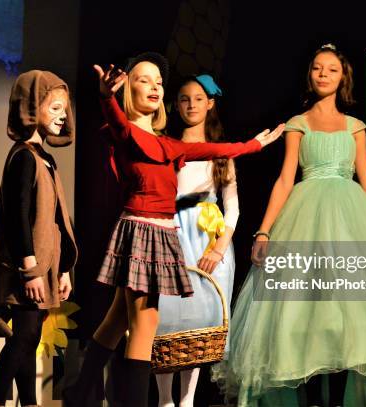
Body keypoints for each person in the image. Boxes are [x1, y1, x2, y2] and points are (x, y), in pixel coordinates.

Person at [215, 44, 366, 407]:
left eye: (332, 69)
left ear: (343, 79)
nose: (323, 74)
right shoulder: (298, 124)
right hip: (305, 220)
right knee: (305, 314)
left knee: (345, 315)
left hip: (350, 221)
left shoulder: (355, 127)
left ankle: (338, 402)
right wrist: (263, 231)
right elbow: (284, 180)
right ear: (310, 75)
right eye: (317, 68)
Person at [62, 52, 284, 407]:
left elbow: (217, 148)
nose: (153, 86)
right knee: (146, 325)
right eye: (143, 80)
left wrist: (257, 144)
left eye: (158, 81)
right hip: (142, 232)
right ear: (127, 88)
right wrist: (105, 96)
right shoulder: (128, 133)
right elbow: (116, 121)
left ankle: (78, 395)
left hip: (161, 234)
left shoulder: (169, 145)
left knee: (116, 322)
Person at [0, 70, 78, 407]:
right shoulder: (23, 156)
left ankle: (29, 403)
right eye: (54, 108)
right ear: (31, 107)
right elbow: (17, 215)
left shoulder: (46, 159)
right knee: (24, 336)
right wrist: (31, 268)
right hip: (27, 265)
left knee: (30, 336)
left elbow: (56, 219)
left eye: (64, 110)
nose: (62, 116)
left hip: (44, 265)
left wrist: (64, 268)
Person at [154, 74, 238, 407]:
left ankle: (187, 399)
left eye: (199, 98)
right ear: (176, 105)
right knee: (167, 312)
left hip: (206, 236)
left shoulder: (220, 153)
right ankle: (163, 399)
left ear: (210, 103)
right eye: (185, 99)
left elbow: (232, 207)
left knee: (199, 317)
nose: (191, 105)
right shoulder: (166, 147)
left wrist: (218, 247)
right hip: (171, 231)